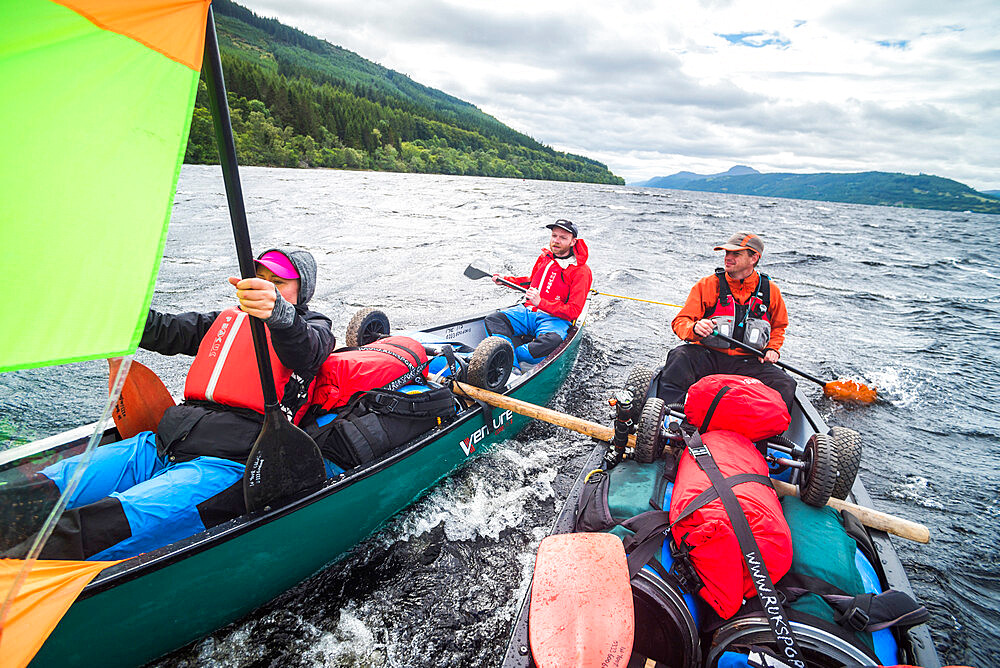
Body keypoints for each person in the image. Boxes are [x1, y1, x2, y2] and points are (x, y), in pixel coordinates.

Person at [2, 249, 334, 561]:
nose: (266, 286)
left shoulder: (313, 330)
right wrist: (110, 311)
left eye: (277, 282)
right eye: (260, 277)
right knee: (47, 487)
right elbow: (166, 330)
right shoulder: (226, 321)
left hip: (225, 465)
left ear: (301, 292)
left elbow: (305, 348)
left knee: (102, 523)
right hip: (162, 445)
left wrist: (278, 312)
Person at [654, 232, 796, 409]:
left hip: (749, 363)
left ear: (754, 258)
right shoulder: (707, 285)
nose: (728, 258)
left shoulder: (771, 291)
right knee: (679, 357)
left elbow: (779, 326)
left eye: (735, 254)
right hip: (708, 356)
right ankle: (671, 416)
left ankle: (766, 434)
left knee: (785, 384)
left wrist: (772, 348)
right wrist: (695, 328)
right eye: (726, 253)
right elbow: (681, 321)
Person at [484, 219, 592, 367]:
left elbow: (573, 311)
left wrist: (541, 302)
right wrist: (505, 280)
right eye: (554, 236)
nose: (556, 241)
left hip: (555, 319)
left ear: (573, 242)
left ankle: (506, 358)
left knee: (553, 341)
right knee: (494, 319)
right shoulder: (544, 258)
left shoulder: (581, 271)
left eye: (563, 238)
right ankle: (509, 363)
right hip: (528, 312)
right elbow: (532, 282)